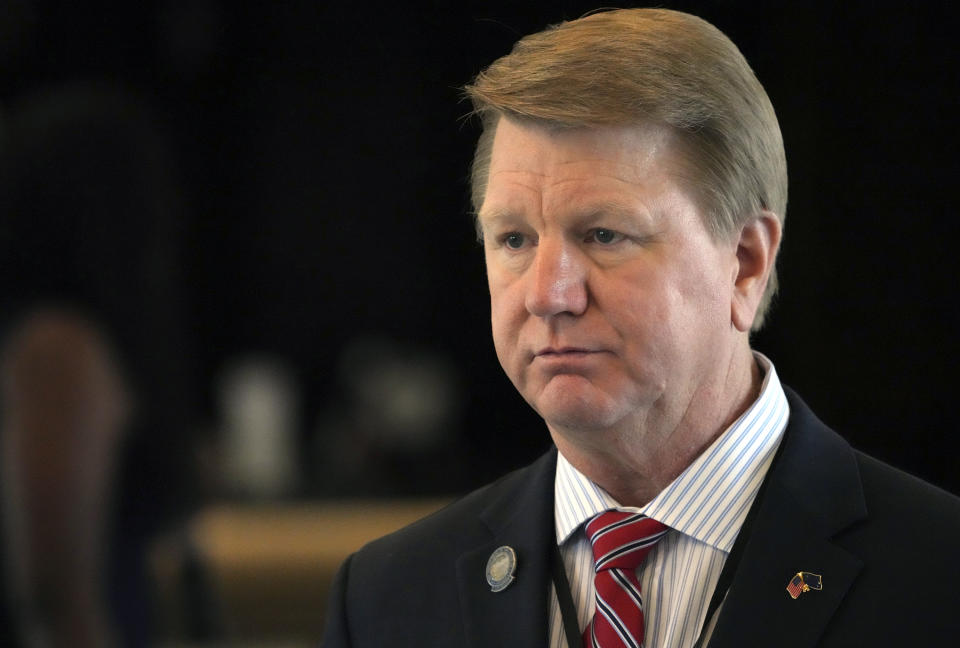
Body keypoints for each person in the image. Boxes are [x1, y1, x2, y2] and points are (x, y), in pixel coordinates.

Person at [321, 8, 960, 647]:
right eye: (514, 239)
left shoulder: (936, 576)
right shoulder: (386, 600)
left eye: (604, 235)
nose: (548, 295)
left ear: (745, 262)